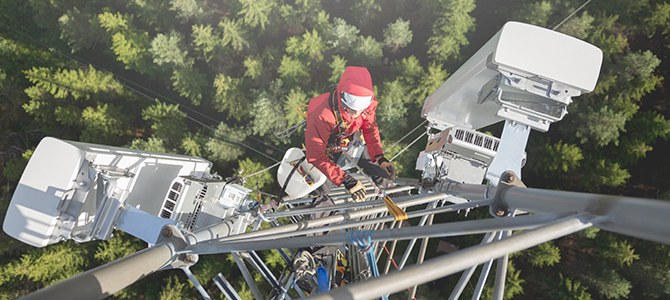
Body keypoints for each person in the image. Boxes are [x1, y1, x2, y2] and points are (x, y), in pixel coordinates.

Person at [304, 66, 396, 207]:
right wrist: (346, 180)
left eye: (360, 111)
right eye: (352, 110)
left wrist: (380, 158)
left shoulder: (367, 104)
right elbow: (315, 155)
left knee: (380, 172)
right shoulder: (322, 113)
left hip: (347, 141)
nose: (356, 114)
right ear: (343, 100)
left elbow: (370, 130)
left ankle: (392, 194)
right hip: (324, 150)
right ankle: (318, 214)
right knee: (324, 188)